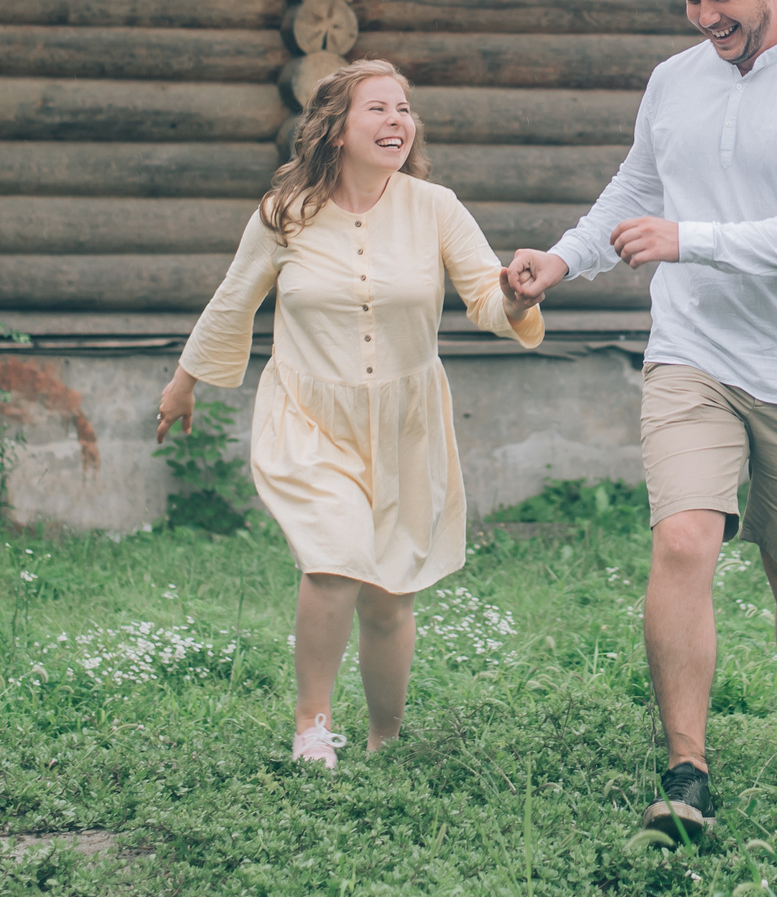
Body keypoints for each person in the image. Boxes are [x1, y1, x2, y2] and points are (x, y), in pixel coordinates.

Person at [504, 0, 777, 842]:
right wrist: (561, 258)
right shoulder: (674, 82)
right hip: (692, 355)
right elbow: (637, 188)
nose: (704, 15)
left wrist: (691, 240)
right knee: (681, 541)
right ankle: (686, 773)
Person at [157, 60, 543, 769]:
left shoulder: (435, 206)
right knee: (335, 557)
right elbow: (234, 297)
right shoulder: (285, 212)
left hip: (406, 422)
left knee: (391, 594)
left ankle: (384, 743)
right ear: (335, 128)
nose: (397, 120)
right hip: (309, 413)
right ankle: (312, 724)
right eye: (377, 108)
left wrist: (516, 296)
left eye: (404, 108)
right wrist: (184, 382)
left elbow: (487, 300)